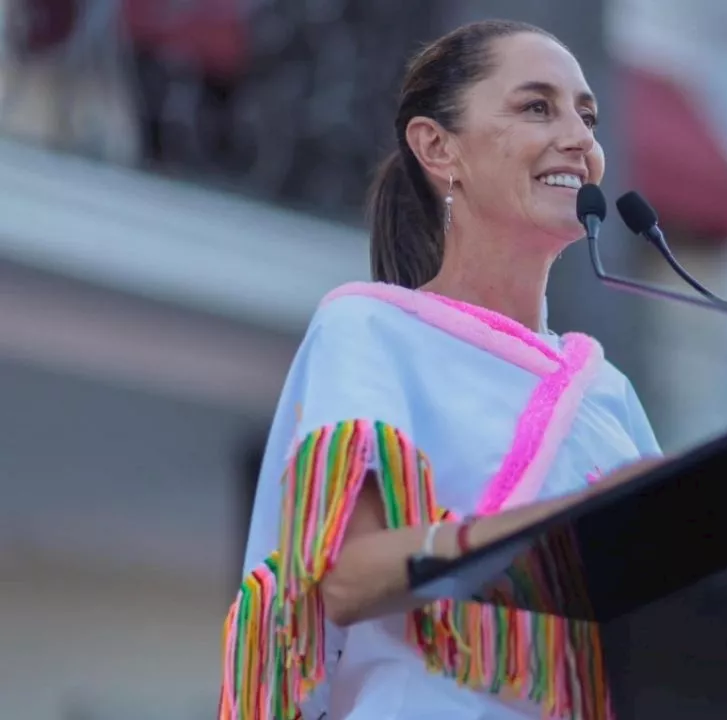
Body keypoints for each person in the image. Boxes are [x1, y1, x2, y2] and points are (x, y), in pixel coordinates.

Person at [219, 19, 663, 720]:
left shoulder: (609, 393)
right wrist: (570, 528)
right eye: (536, 106)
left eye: (588, 114)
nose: (580, 139)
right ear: (437, 147)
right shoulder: (369, 327)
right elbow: (341, 578)